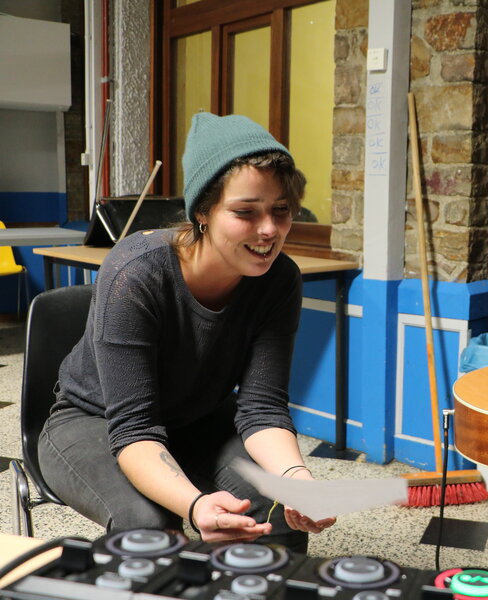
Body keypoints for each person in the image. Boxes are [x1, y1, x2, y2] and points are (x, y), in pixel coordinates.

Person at [38, 112, 334, 551]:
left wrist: (296, 478)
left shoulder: (279, 279)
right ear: (203, 212)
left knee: (276, 509)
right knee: (152, 526)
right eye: (245, 212)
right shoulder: (137, 272)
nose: (269, 229)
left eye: (281, 211)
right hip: (93, 421)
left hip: (196, 419)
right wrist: (196, 506)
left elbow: (262, 409)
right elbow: (135, 428)